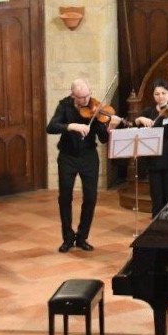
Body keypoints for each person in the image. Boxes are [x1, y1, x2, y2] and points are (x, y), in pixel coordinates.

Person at [46, 78, 122, 252]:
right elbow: (50, 127)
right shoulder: (64, 105)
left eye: (88, 95)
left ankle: (82, 237)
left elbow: (103, 139)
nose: (86, 100)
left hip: (89, 157)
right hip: (67, 157)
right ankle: (67, 238)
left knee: (91, 198)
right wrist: (71, 126)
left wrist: (111, 126)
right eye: (81, 98)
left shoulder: (96, 109)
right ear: (73, 95)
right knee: (65, 198)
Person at [134, 78, 168, 217]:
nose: (160, 97)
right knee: (157, 197)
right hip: (154, 161)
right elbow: (135, 122)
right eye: (157, 94)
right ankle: (157, 228)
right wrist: (140, 119)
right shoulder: (149, 111)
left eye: (163, 93)